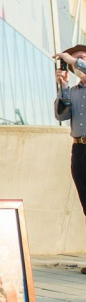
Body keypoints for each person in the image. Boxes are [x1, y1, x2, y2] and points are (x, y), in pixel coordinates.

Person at [55, 45, 86, 218]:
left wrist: (73, 60)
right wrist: (64, 87)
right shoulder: (72, 92)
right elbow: (61, 116)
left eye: (82, 58)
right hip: (80, 150)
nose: (78, 63)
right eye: (76, 60)